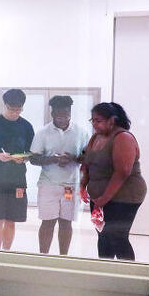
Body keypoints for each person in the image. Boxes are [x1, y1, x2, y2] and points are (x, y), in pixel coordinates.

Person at [80, 102, 146, 260]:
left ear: (112, 120)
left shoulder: (123, 137)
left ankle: (127, 279)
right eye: (93, 120)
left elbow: (122, 172)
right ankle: (105, 272)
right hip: (99, 197)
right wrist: (83, 185)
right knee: (103, 236)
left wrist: (103, 200)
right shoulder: (96, 137)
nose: (95, 124)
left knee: (118, 237)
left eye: (99, 120)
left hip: (124, 197)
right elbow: (87, 162)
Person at [29, 95, 90, 255]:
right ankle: (44, 257)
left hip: (71, 186)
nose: (62, 119)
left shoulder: (81, 132)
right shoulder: (43, 133)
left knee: (66, 223)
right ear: (52, 114)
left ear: (70, 113)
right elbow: (33, 159)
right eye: (59, 116)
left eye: (66, 115)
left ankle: (64, 257)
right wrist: (53, 159)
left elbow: (88, 157)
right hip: (48, 185)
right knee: (48, 222)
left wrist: (74, 158)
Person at [0, 89, 35, 250]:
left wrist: (23, 158)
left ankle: (6, 253)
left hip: (17, 180)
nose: (15, 113)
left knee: (11, 220)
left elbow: (31, 154)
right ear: (5, 105)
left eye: (18, 110)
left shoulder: (26, 126)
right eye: (12, 109)